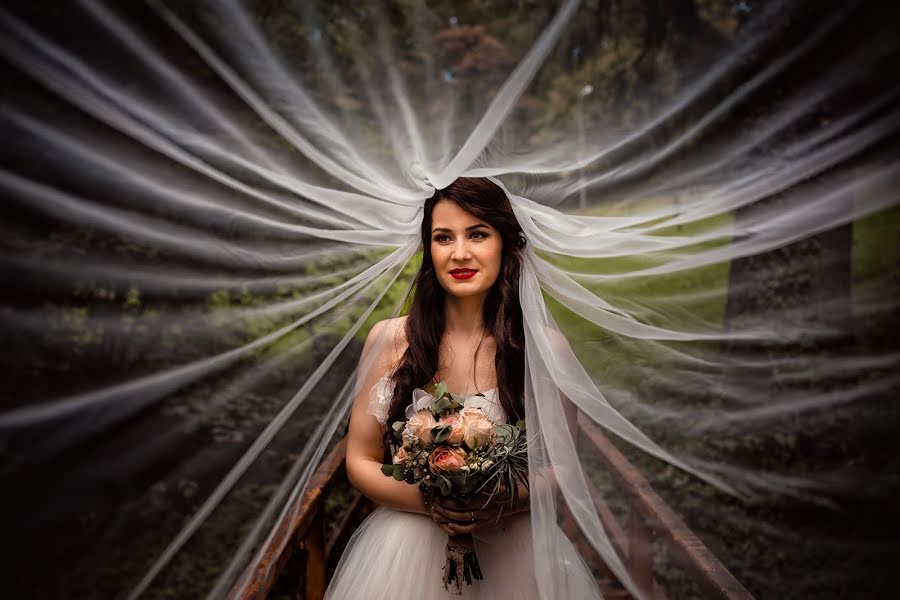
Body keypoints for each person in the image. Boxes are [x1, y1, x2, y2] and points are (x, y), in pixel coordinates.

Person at [323, 177, 602, 599]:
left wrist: (497, 499)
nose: (459, 253)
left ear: (506, 244)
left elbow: (563, 465)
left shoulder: (545, 349)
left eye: (477, 234)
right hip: (405, 551)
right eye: (442, 237)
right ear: (428, 249)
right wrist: (435, 503)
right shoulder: (390, 340)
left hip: (514, 549)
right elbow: (359, 459)